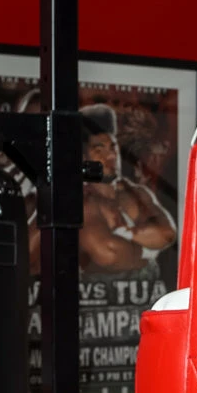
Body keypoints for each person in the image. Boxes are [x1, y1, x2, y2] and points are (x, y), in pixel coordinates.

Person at [77, 103, 176, 275]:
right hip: (102, 291)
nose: (111, 155)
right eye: (99, 150)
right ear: (83, 157)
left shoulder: (136, 192)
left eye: (113, 147)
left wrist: (125, 233)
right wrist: (147, 252)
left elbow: (167, 234)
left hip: (151, 291)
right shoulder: (84, 201)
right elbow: (109, 253)